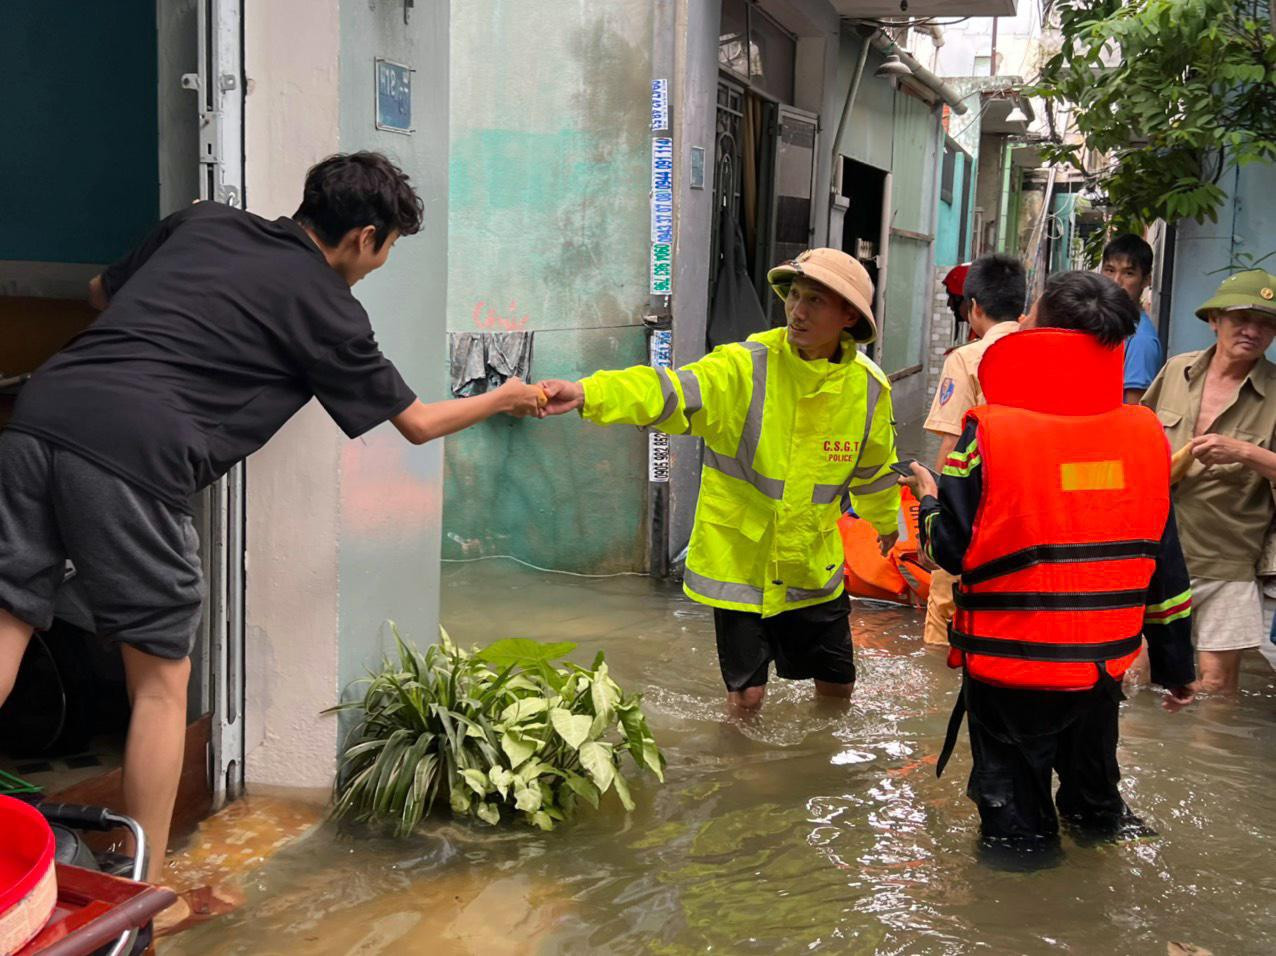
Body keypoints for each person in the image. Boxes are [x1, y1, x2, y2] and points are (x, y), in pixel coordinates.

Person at [0, 152, 545, 883]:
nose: (378, 263)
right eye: (386, 249)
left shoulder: (204, 222)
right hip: (136, 454)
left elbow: (102, 292)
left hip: (38, 416)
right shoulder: (327, 306)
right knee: (161, 682)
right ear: (364, 237)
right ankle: (146, 888)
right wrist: (506, 397)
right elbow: (416, 422)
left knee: (10, 613)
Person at [537, 248, 900, 713]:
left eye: (815, 301)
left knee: (836, 689)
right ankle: (743, 768)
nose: (798, 312)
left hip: (812, 564)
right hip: (740, 563)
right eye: (794, 297)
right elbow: (667, 392)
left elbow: (874, 469)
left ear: (849, 316)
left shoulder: (868, 388)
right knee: (747, 698)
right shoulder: (743, 367)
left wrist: (886, 523)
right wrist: (588, 392)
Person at [904, 270, 1194, 849]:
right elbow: (1164, 563)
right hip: (1098, 673)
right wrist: (1175, 666)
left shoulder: (989, 435)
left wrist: (929, 497)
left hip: (1013, 671)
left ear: (1045, 335)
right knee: (1094, 804)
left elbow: (951, 552)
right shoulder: (1144, 437)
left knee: (1016, 828)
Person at [1142, 269, 1276, 694]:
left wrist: (1245, 452)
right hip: (1155, 548)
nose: (1253, 331)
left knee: (1216, 685)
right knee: (1137, 673)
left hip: (1228, 558)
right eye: (1241, 319)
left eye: (1266, 323)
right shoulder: (1178, 371)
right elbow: (1138, 438)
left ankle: (1206, 754)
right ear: (1214, 320)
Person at [921, 254, 1026, 646]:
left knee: (945, 615)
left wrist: (932, 524)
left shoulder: (967, 359)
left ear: (974, 307)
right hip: (1024, 522)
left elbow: (950, 451)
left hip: (971, 515)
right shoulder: (1042, 353)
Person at [1100, 233, 1163, 404]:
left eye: (1128, 273)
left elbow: (1132, 411)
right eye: (1110, 270)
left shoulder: (1140, 340)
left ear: (1146, 280)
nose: (1116, 281)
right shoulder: (1103, 322)